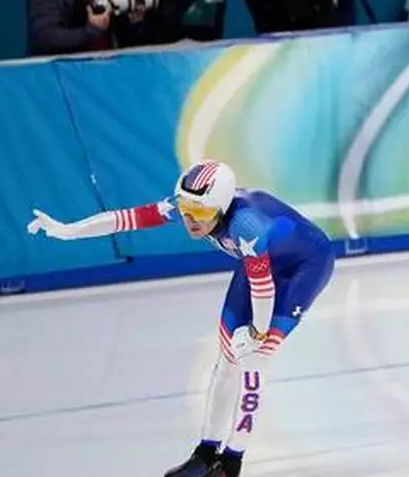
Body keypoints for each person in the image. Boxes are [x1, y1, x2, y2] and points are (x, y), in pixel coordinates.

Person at [26, 160, 335, 477]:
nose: (191, 220)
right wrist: (69, 231)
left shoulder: (246, 226)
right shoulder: (197, 203)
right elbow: (128, 219)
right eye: (186, 210)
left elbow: (263, 286)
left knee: (255, 359)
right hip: (261, 263)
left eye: (200, 213)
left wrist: (258, 334)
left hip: (305, 267)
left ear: (221, 208)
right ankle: (205, 453)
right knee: (227, 359)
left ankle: (231, 463)